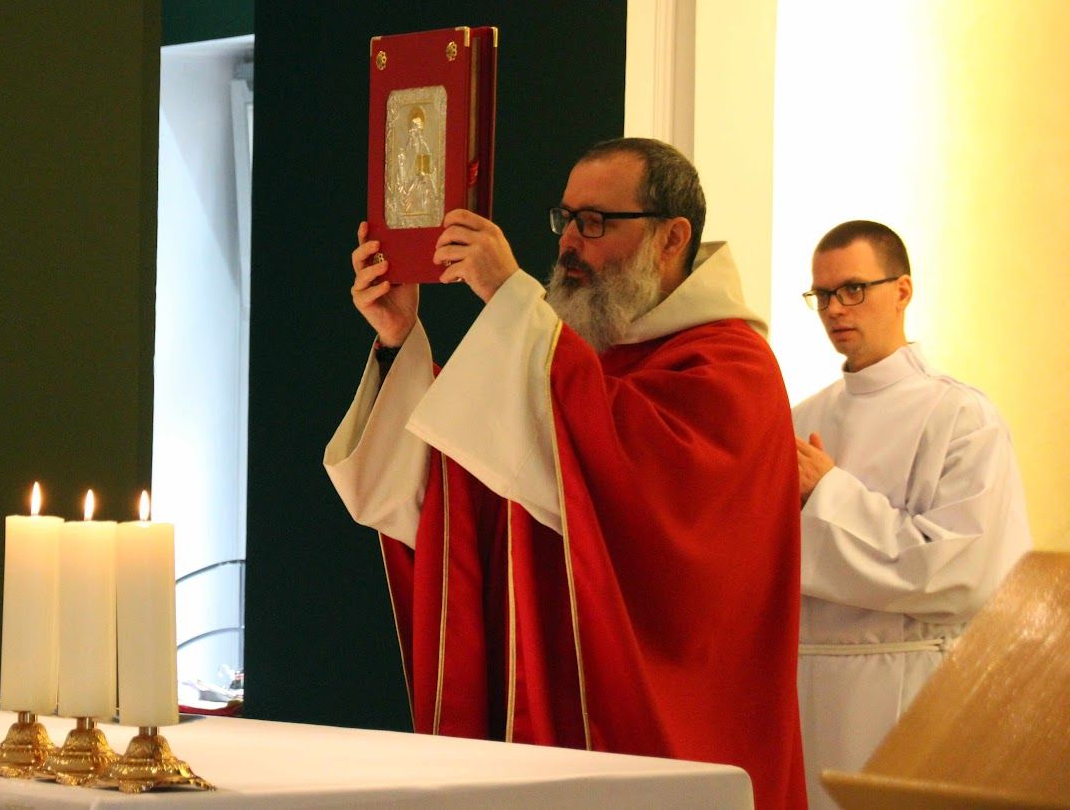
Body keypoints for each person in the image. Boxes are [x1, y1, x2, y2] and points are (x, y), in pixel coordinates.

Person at [328, 136, 806, 810]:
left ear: (672, 238)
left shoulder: (733, 368)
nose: (570, 243)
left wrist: (508, 296)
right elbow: (464, 485)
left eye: (596, 222)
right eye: (566, 219)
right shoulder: (576, 361)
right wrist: (399, 341)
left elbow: (646, 502)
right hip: (543, 713)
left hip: (671, 733)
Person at [793, 221, 1030, 808]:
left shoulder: (961, 416)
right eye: (822, 294)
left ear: (902, 291)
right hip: (805, 684)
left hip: (908, 687)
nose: (834, 309)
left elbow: (961, 571)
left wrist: (829, 493)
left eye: (853, 289)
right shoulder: (799, 419)